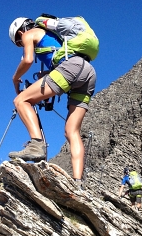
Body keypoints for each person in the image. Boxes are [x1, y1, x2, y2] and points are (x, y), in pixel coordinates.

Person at [7, 17, 97, 188]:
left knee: (21, 100)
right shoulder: (56, 37)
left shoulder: (29, 34)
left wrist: (15, 78)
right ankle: (78, 182)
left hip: (70, 68)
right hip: (88, 71)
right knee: (72, 131)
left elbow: (27, 60)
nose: (22, 44)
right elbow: (61, 62)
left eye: (19, 43)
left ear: (20, 32)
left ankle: (36, 145)